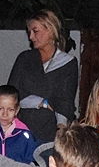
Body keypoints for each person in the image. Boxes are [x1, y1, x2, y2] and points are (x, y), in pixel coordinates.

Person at [8, 9, 78, 144]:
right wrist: (43, 103)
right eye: (29, 33)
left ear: (51, 31)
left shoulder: (67, 63)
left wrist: (61, 129)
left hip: (51, 133)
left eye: (35, 31)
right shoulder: (25, 59)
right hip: (22, 130)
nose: (31, 37)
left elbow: (65, 102)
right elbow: (12, 95)